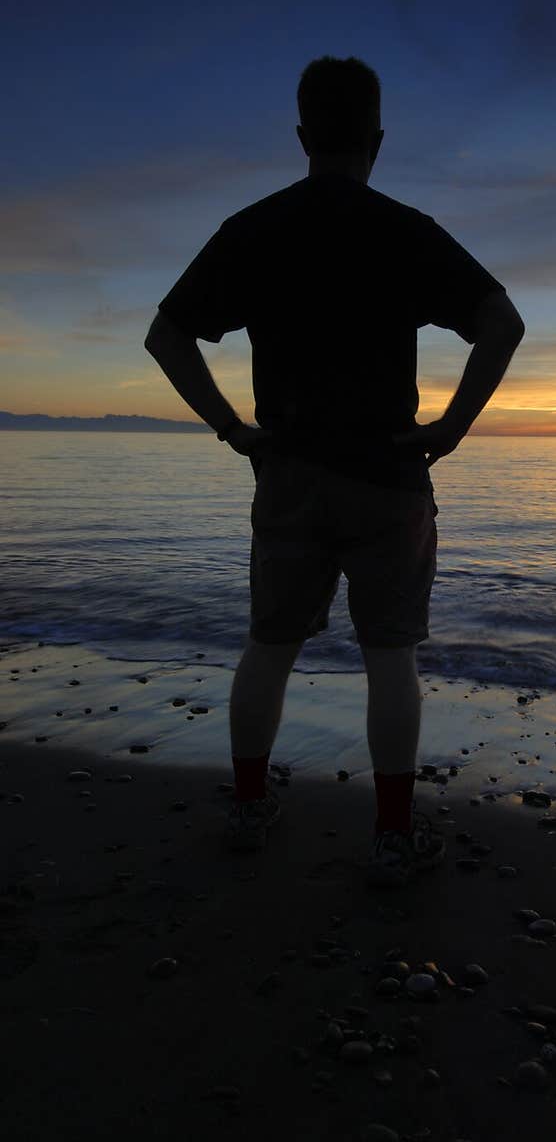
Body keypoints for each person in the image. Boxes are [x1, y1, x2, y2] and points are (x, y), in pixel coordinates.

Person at [145, 55, 524, 885]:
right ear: (377, 139)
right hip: (388, 473)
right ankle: (391, 836)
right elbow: (502, 322)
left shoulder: (254, 229)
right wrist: (452, 428)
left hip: (287, 471)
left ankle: (249, 807)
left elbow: (165, 335)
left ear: (303, 135)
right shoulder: (404, 229)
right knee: (391, 657)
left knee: (270, 645)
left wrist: (230, 429)